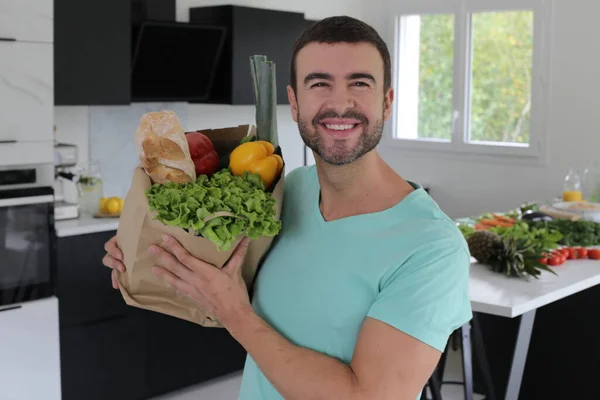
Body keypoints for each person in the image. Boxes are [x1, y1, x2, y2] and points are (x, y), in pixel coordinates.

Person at [102, 16, 472, 400]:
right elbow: (220, 289)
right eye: (319, 83)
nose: (340, 103)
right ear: (294, 103)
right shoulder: (287, 192)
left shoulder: (431, 247)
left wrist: (237, 315)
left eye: (359, 83)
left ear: (387, 102)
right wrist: (145, 253)